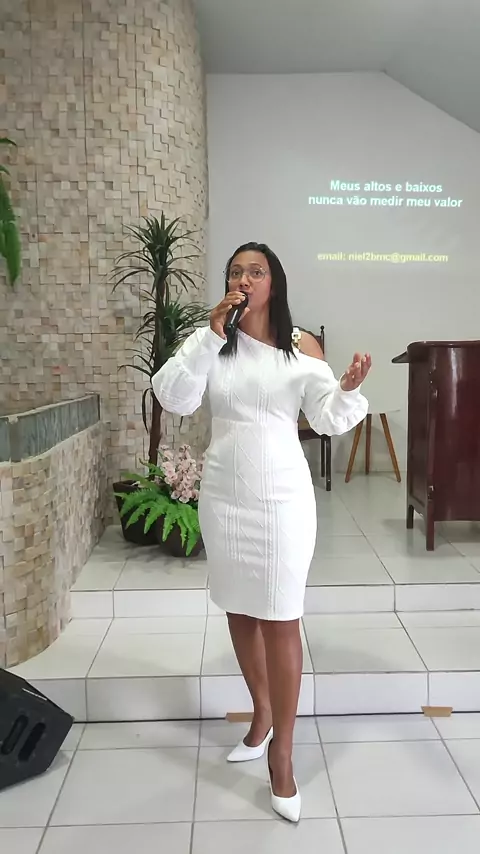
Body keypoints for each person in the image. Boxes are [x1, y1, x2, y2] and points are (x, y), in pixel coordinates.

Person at [152, 242, 370, 822]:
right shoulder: (213, 340)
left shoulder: (301, 345)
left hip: (282, 499)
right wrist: (208, 336)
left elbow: (325, 417)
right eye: (236, 272)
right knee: (240, 610)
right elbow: (173, 396)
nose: (244, 279)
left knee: (280, 615)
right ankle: (262, 712)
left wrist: (346, 388)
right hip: (225, 495)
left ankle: (283, 754)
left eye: (256, 271)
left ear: (275, 282)